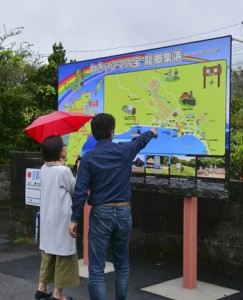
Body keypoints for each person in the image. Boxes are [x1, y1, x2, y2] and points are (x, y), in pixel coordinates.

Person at [69, 113, 158, 300]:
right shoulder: (124, 150)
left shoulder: (88, 158)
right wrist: (151, 132)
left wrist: (74, 218)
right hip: (124, 212)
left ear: (93, 134)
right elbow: (140, 141)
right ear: (112, 132)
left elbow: (80, 191)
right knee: (122, 265)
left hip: (101, 213)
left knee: (96, 269)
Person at [34, 135, 79, 300]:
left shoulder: (44, 168)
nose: (66, 147)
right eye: (63, 145)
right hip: (61, 219)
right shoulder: (64, 171)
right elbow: (75, 190)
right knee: (63, 256)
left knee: (48, 253)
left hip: (47, 218)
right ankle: (58, 295)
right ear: (58, 150)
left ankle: (42, 288)